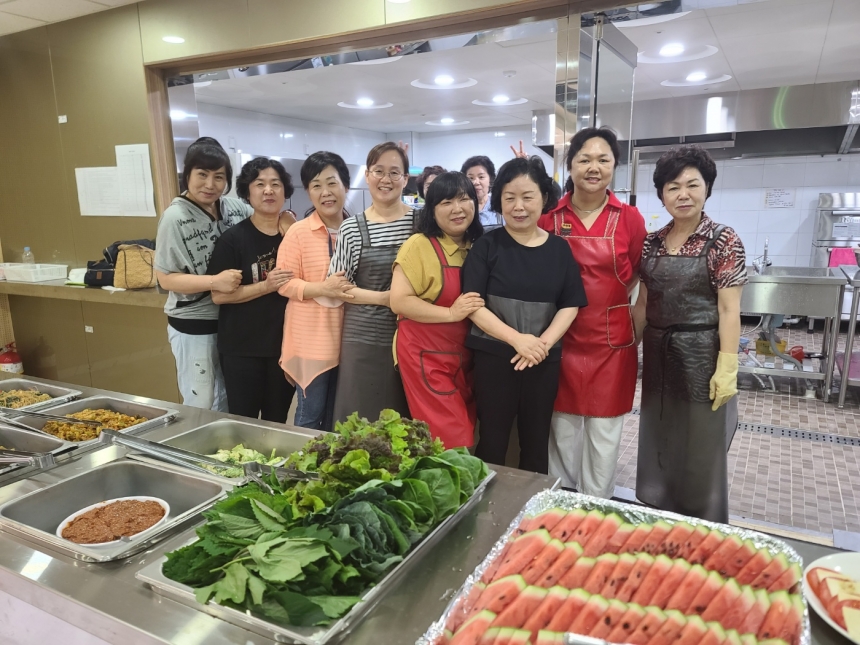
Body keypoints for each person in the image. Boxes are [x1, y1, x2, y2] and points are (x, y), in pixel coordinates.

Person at [633, 145, 747, 523]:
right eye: (673, 187)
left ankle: (700, 526)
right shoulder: (651, 241)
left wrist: (727, 367)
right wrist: (628, 347)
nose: (683, 194)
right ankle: (661, 520)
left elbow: (729, 310)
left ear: (707, 188)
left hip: (702, 358)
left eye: (692, 185)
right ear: (662, 194)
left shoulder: (723, 240)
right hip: (659, 358)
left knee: (699, 450)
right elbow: (643, 302)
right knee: (661, 439)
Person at [537, 127, 647, 499]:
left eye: (603, 159)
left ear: (615, 166)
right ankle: (561, 509)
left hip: (612, 343)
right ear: (570, 166)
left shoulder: (630, 219)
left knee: (604, 438)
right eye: (584, 159)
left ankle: (596, 510)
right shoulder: (550, 219)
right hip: (560, 340)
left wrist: (628, 325)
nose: (594, 167)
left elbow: (636, 274)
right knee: (562, 433)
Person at [463, 157, 587, 474]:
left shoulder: (559, 250)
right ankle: (488, 501)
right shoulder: (486, 245)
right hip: (494, 358)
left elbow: (570, 304)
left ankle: (532, 503)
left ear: (543, 198)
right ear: (499, 200)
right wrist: (518, 340)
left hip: (542, 360)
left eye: (527, 197)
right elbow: (473, 305)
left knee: (536, 441)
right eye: (509, 197)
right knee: (492, 440)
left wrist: (540, 345)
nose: (518, 206)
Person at [155, 139, 252, 410]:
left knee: (228, 400)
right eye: (202, 175)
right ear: (187, 175)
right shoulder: (175, 217)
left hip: (232, 322)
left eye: (218, 177)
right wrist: (214, 282)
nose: (210, 184)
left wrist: (285, 219)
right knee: (202, 400)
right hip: (194, 325)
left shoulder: (235, 208)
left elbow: (263, 221)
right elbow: (166, 278)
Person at [391, 172, 484, 447]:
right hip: (424, 356)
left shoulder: (478, 247)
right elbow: (400, 301)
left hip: (464, 358)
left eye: (464, 199)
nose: (457, 209)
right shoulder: (419, 245)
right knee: (452, 438)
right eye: (446, 202)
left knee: (466, 430)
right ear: (432, 209)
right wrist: (451, 314)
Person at [329, 142, 413, 422]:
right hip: (362, 337)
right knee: (359, 418)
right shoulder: (351, 228)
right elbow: (337, 287)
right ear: (367, 176)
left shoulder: (422, 223)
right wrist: (386, 299)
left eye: (394, 172)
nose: (385, 179)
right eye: (378, 171)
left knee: (404, 421)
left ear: (405, 179)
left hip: (410, 335)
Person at [206, 158, 295, 422]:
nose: (268, 190)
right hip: (242, 349)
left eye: (275, 184)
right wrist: (266, 286)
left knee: (277, 420)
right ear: (247, 192)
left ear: (285, 191)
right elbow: (219, 296)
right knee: (242, 421)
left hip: (284, 348)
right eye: (260, 184)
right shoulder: (233, 240)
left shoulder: (295, 236)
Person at [278, 152, 355, 431]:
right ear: (308, 191)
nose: (326, 192)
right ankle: (300, 460)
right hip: (311, 341)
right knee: (310, 416)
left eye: (332, 183)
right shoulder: (298, 233)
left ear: (345, 185)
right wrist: (323, 288)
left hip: (349, 339)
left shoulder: (357, 230)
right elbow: (284, 284)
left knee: (339, 417)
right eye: (316, 185)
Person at [461, 155, 502, 231]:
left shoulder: (499, 204)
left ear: (490, 179)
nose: (476, 182)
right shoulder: (461, 208)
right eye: (471, 178)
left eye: (481, 177)